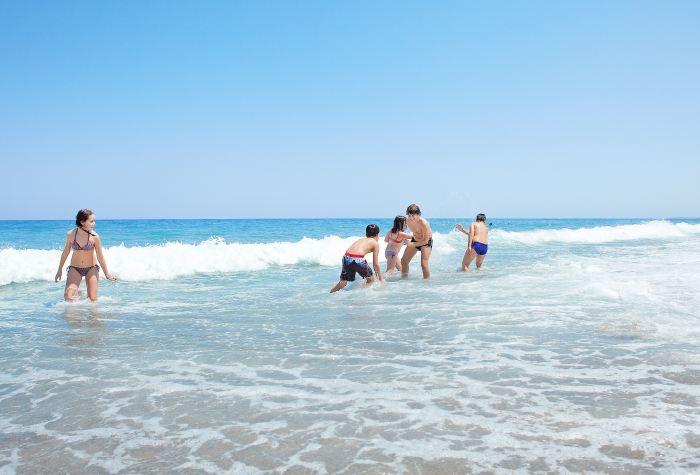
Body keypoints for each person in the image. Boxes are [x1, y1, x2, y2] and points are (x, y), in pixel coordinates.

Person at [55, 209, 118, 301]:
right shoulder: (70, 234)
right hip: (75, 268)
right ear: (82, 222)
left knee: (92, 299)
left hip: (91, 268)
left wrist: (107, 275)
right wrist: (59, 270)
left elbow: (100, 257)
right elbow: (66, 252)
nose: (94, 224)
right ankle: (73, 311)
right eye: (91, 221)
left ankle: (83, 294)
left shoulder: (94, 237)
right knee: (68, 296)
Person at [330, 224, 385, 293]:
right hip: (357, 259)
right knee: (371, 279)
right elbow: (375, 264)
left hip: (346, 257)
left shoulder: (360, 239)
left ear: (366, 235)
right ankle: (361, 295)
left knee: (343, 283)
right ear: (377, 235)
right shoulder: (375, 244)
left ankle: (330, 293)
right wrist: (380, 279)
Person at [401, 204, 433, 279]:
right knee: (404, 261)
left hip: (426, 242)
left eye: (413, 215)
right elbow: (399, 230)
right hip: (415, 239)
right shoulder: (407, 221)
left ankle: (426, 283)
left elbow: (425, 241)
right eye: (409, 215)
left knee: (424, 264)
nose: (411, 218)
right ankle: (404, 280)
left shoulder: (424, 223)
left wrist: (411, 244)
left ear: (418, 214)